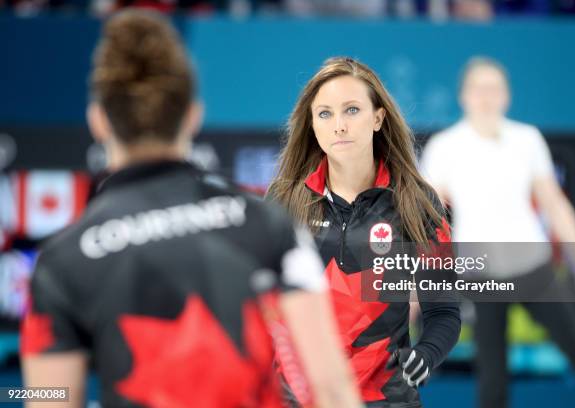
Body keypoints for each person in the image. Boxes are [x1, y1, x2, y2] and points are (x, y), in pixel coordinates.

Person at [20, 10, 363, 408]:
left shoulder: (61, 262)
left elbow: (48, 399)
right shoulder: (269, 226)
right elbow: (334, 390)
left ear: (98, 122)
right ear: (192, 115)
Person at [266, 57, 461, 407]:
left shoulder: (417, 201)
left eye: (351, 110)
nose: (338, 125)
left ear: (378, 117)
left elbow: (443, 312)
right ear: (312, 125)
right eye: (325, 114)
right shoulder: (283, 199)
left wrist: (426, 354)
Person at [420, 56, 575, 408]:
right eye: (478, 88)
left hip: (534, 269)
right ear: (464, 96)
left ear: (506, 96)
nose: (486, 96)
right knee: (492, 376)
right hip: (482, 276)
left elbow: (555, 205)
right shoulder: (444, 148)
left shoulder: (527, 139)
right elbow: (425, 222)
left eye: (494, 88)